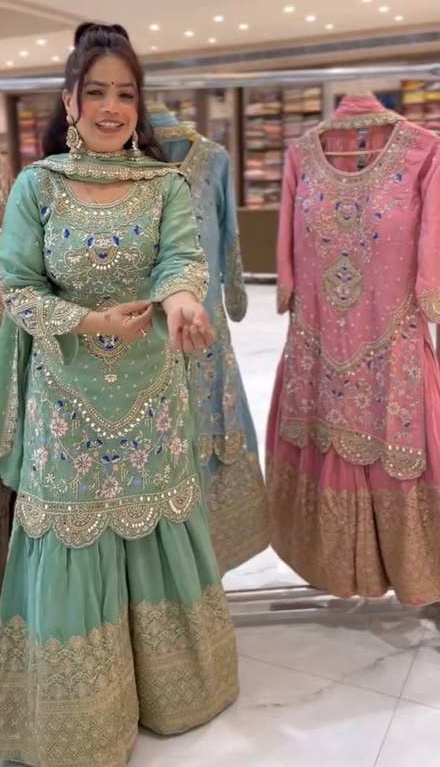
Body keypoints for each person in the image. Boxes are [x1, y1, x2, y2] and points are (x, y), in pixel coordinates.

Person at [0, 23, 238, 767]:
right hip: (64, 397)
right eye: (96, 92)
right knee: (72, 528)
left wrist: (182, 301)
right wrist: (89, 321)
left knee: (155, 521)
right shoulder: (38, 186)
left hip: (152, 391)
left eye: (126, 94)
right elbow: (17, 287)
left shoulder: (165, 186)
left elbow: (182, 260)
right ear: (70, 100)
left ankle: (174, 691)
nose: (112, 107)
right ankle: (81, 717)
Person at [147, 102, 269, 574]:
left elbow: (228, 234)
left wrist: (232, 294)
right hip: (148, 333)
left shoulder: (214, 158)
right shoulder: (123, 162)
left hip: (203, 329)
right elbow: (230, 238)